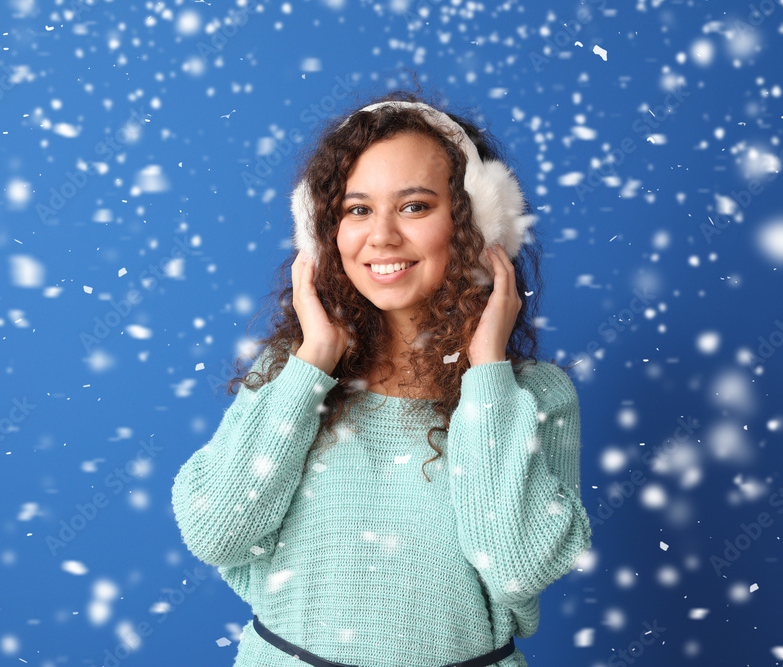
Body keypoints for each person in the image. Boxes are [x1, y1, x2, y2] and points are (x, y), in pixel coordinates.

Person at [172, 89, 592, 667]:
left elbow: (518, 565)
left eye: (415, 206)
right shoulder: (289, 381)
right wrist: (313, 361)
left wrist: (488, 372)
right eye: (357, 209)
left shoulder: (533, 397)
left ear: (476, 223)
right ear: (323, 233)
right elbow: (217, 532)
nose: (383, 236)